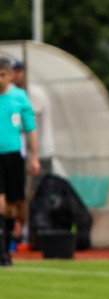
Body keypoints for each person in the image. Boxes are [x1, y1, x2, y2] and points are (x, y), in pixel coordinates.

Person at [0, 57, 39, 266]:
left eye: (3, 75)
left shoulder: (19, 97)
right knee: (0, 203)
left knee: (12, 209)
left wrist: (35, 157)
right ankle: (2, 251)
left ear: (10, 76)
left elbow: (31, 128)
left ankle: (6, 250)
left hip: (14, 155)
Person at [10, 60, 53, 246]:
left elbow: (28, 126)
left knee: (32, 193)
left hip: (38, 151)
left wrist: (34, 156)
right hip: (16, 152)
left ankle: (31, 234)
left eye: (17, 72)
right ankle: (18, 233)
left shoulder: (30, 94)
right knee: (16, 195)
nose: (14, 75)